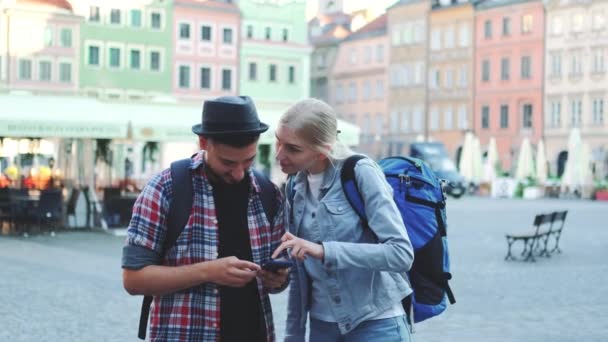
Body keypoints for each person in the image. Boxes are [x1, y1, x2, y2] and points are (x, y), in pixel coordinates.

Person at [122, 96, 288, 342]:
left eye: (248, 160)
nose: (239, 172)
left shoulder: (269, 193)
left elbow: (277, 284)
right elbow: (133, 279)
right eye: (228, 162)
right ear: (203, 143)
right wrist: (208, 272)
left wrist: (278, 279)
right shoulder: (165, 189)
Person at [272, 98, 414, 342]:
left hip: (376, 323)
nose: (279, 155)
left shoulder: (360, 172)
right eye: (278, 142)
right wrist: (293, 335)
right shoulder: (295, 186)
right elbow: (299, 272)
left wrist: (324, 251)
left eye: (293, 149)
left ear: (323, 150)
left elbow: (401, 254)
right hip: (322, 327)